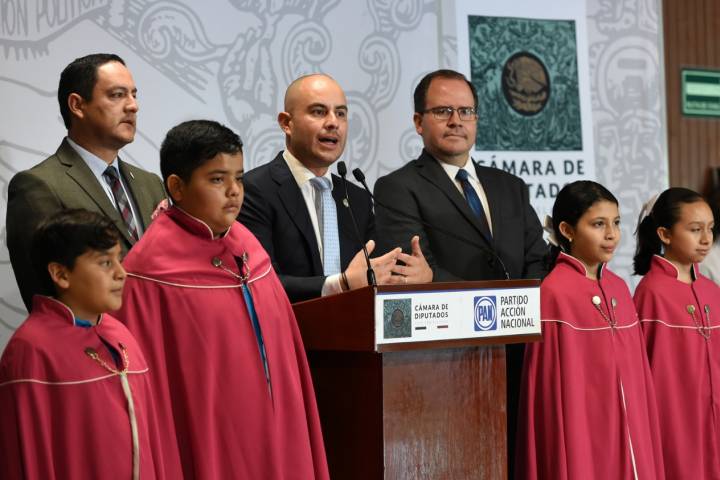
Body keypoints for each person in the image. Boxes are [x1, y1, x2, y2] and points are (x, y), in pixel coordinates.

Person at [115, 119, 329, 479]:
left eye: (239, 178)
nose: (234, 191)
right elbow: (150, 394)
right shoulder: (148, 270)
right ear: (177, 187)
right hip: (207, 435)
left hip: (273, 424)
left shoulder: (247, 245)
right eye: (217, 179)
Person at [373, 69, 547, 472]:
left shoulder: (510, 186)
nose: (456, 121)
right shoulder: (398, 187)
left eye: (466, 111)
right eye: (443, 111)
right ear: (419, 122)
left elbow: (536, 259)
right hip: (445, 366)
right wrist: (443, 284)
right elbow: (413, 270)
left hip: (521, 355)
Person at [0, 209, 181, 479]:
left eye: (119, 259)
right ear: (61, 274)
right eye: (105, 263)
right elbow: (29, 458)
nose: (121, 273)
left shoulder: (121, 335)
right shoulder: (32, 351)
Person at [516, 181, 664, 479]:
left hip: (631, 431)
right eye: (598, 224)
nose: (611, 234)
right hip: (584, 434)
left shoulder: (619, 288)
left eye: (616, 223)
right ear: (567, 230)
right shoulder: (554, 293)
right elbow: (550, 395)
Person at [239, 73, 430, 303]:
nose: (333, 122)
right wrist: (339, 284)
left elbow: (375, 275)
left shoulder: (357, 198)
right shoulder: (254, 190)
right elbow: (259, 280)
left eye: (340, 113)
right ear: (286, 123)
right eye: (318, 112)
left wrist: (413, 277)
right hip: (289, 324)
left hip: (353, 325)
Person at [6, 53, 166, 311]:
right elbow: (45, 297)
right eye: (117, 95)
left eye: (134, 95)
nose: (133, 106)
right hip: (93, 336)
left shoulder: (151, 183)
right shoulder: (38, 186)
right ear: (77, 105)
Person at [633, 188, 720, 479]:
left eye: (710, 228)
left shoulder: (712, 291)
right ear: (665, 234)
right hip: (674, 422)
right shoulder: (651, 292)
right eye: (695, 229)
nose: (706, 239)